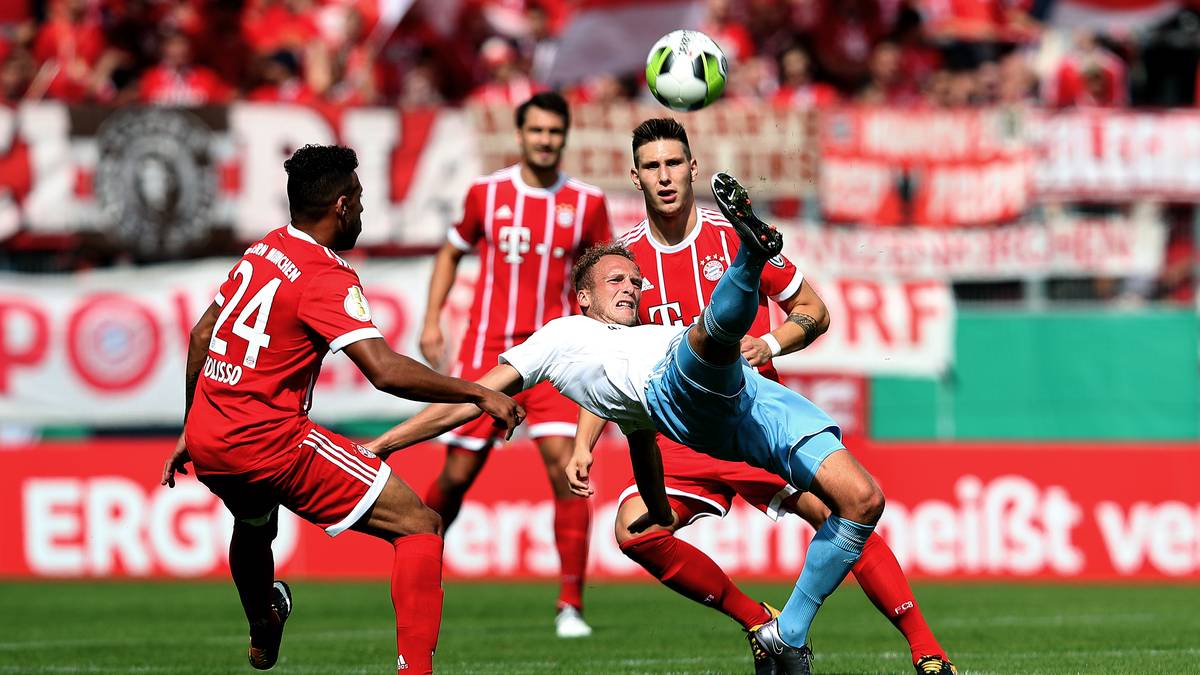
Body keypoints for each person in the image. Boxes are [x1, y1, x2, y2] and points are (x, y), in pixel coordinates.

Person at [367, 172, 881, 675]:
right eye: (616, 280)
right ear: (583, 298)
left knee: (862, 501)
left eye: (636, 282)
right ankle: (750, 257)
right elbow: (467, 399)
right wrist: (386, 444)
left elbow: (641, 442)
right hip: (682, 381)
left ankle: (788, 633)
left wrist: (656, 507)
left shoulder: (636, 342)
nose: (631, 289)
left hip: (755, 398)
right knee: (705, 339)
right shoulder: (560, 337)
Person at [589, 118, 956, 675]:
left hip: (751, 423)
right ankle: (761, 621)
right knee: (635, 530)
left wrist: (771, 342)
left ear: (693, 168)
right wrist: (583, 442)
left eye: (673, 163)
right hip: (681, 436)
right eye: (652, 166)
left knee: (845, 510)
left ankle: (926, 650)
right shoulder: (625, 263)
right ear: (635, 176)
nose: (664, 176)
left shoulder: (738, 236)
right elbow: (606, 360)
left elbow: (814, 310)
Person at [160, 145, 523, 675]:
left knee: (254, 522)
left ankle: (262, 621)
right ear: (341, 205)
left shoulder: (264, 249)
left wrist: (189, 426)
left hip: (212, 438)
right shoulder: (326, 275)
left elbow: (201, 336)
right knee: (419, 525)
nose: (363, 209)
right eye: (359, 198)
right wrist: (476, 392)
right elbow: (385, 370)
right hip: (270, 442)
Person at [418, 91, 611, 637]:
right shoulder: (487, 193)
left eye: (554, 132)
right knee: (457, 474)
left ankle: (570, 605)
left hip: (557, 356)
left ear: (565, 137)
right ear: (520, 134)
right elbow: (451, 251)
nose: (545, 140)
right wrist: (432, 321)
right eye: (537, 130)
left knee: (567, 469)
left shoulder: (587, 202)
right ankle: (419, 566)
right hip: (490, 352)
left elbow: (606, 272)